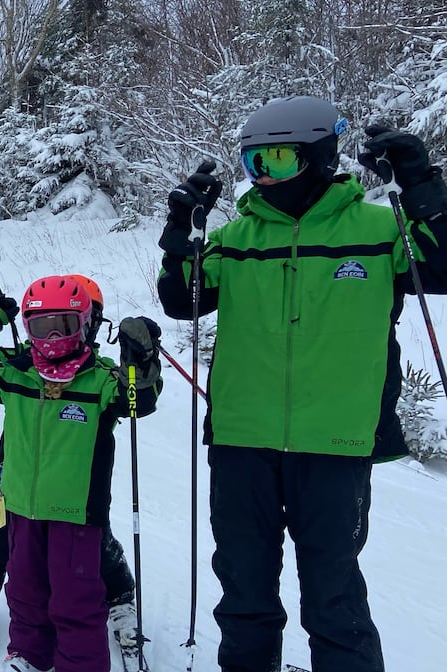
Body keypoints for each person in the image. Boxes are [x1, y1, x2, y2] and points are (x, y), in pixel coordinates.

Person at [156, 95, 447, 672]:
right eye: (253, 163)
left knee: (333, 597)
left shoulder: (378, 228)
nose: (264, 176)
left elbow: (440, 268)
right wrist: (178, 230)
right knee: (244, 593)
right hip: (242, 442)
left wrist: (420, 185)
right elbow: (180, 299)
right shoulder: (237, 238)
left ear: (319, 156)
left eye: (279, 160)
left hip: (335, 443)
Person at [0, 275, 163, 672]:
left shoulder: (100, 380)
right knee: (25, 593)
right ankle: (28, 655)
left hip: (75, 515)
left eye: (65, 324)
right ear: (28, 326)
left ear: (85, 324)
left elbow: (137, 402)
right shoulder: (15, 372)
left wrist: (141, 364)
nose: (53, 336)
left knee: (74, 600)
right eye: (42, 326)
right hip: (21, 508)